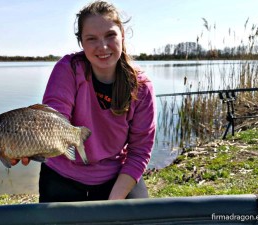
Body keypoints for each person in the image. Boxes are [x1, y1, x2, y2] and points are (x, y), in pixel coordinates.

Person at [13, 0, 157, 202]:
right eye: (91, 39)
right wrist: (23, 146)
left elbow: (139, 151)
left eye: (110, 35)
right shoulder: (69, 69)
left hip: (115, 175)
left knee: (136, 216)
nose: (103, 46)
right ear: (81, 42)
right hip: (62, 173)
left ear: (122, 35)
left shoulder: (141, 87)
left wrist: (113, 201)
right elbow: (53, 120)